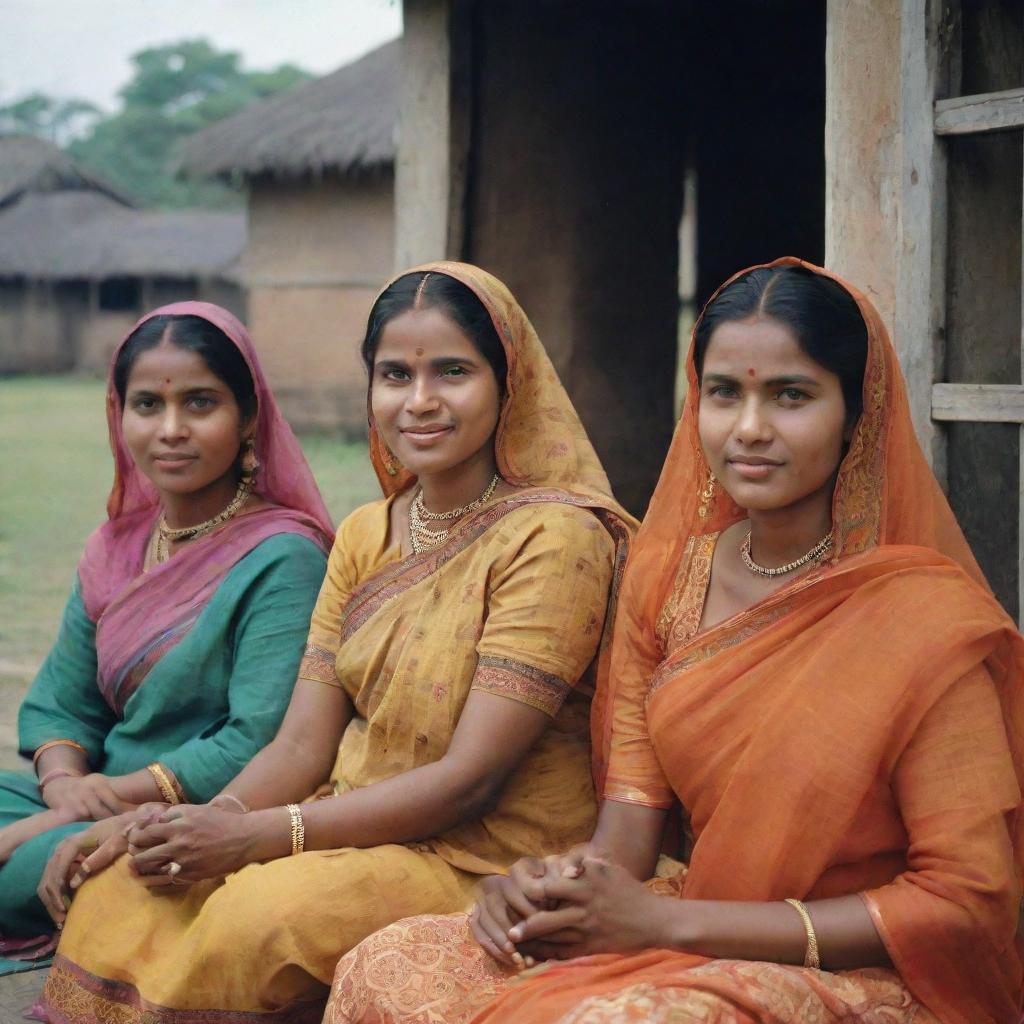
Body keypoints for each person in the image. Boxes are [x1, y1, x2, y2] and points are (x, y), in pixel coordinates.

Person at [325, 258, 1024, 1024]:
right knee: (385, 964)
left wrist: (669, 924)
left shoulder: (919, 617)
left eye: (791, 395)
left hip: (863, 963)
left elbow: (963, 903)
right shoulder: (664, 585)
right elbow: (624, 839)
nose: (749, 428)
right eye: (724, 393)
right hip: (691, 922)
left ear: (858, 413)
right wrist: (538, 889)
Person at [38, 263, 635, 1023]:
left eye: (452, 372)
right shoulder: (364, 533)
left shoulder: (556, 537)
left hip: (480, 853)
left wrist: (259, 836)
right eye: (395, 375)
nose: (419, 402)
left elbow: (469, 779)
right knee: (125, 888)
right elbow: (299, 749)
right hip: (346, 822)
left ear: (507, 382)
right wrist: (197, 823)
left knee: (257, 918)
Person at [0, 302, 332, 971]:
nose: (171, 430)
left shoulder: (283, 557)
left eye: (200, 403)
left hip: (193, 817)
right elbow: (64, 704)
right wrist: (64, 787)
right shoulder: (118, 545)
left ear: (247, 419)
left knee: (39, 864)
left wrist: (99, 805)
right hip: (90, 796)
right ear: (119, 416)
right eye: (148, 404)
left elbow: (255, 737)